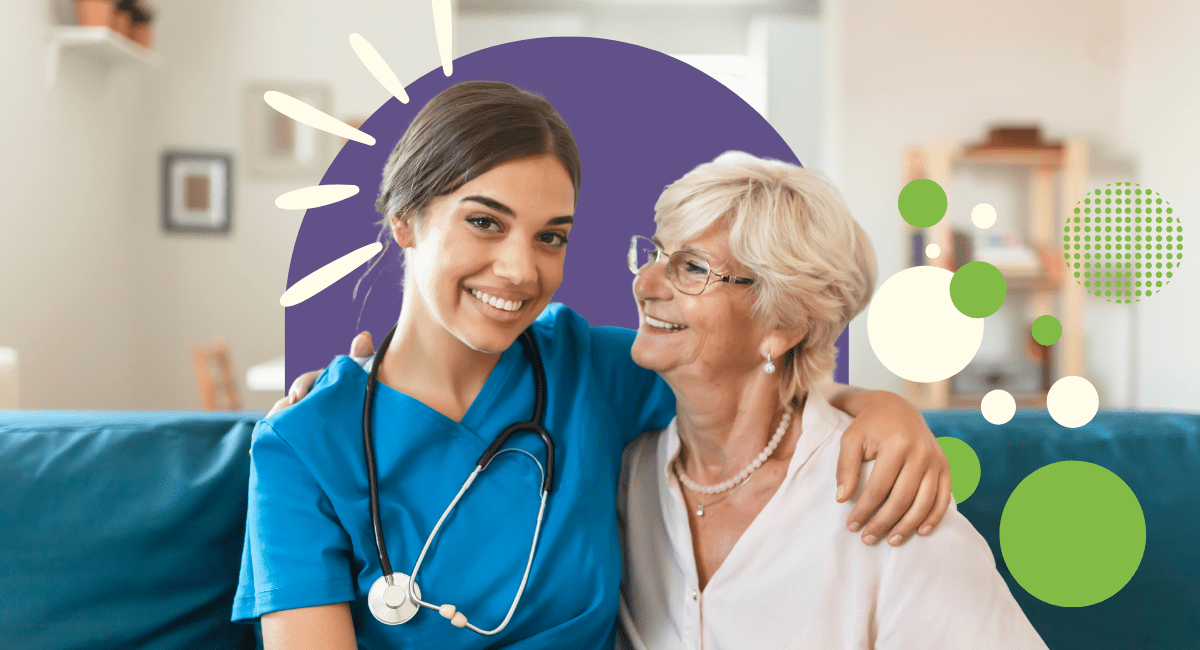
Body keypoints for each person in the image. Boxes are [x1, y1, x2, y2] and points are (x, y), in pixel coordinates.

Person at [242, 80, 952, 650]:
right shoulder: (300, 446)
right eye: (484, 221)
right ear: (405, 219)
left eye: (551, 237)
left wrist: (887, 411)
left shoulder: (593, 368)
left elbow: (758, 374)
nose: (521, 270)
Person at [617, 151, 1046, 649]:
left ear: (782, 326)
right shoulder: (626, 473)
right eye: (655, 254)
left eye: (691, 268)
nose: (645, 284)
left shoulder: (885, 494)